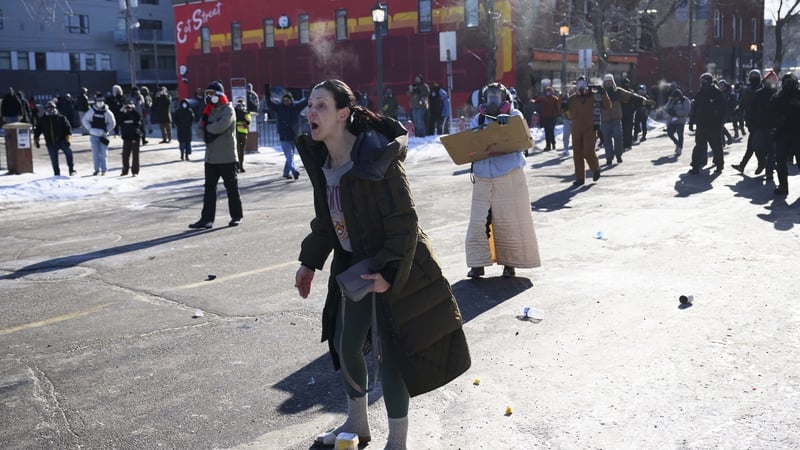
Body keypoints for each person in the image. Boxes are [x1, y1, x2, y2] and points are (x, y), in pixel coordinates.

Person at [294, 79, 471, 450]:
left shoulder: (377, 157)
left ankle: (398, 442)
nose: (311, 112)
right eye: (310, 104)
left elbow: (404, 222)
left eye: (321, 105)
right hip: (354, 265)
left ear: (343, 114)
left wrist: (389, 273)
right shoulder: (323, 160)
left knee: (391, 354)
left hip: (398, 261)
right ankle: (357, 425)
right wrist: (310, 262)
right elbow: (328, 222)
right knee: (346, 344)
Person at [465, 82, 542, 279]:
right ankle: (477, 264)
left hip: (507, 174)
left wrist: (510, 126)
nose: (493, 99)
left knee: (508, 220)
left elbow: (525, 139)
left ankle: (510, 263)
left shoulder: (515, 116)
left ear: (504, 98)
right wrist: (481, 130)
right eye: (489, 95)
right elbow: (472, 142)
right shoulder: (478, 118)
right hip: (483, 175)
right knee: (480, 221)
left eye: (496, 95)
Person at [188, 80, 243, 229]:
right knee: (209, 190)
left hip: (227, 158)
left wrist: (207, 129)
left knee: (231, 189)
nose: (209, 97)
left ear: (219, 95)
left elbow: (220, 126)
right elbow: (198, 130)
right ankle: (206, 219)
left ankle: (236, 216)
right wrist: (208, 130)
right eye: (208, 94)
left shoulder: (228, 109)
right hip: (211, 158)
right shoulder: (209, 111)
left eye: (212, 94)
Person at [564, 76, 609, 186]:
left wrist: (603, 93)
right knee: (577, 154)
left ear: (587, 85)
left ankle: (595, 169)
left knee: (588, 151)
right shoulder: (572, 98)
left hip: (590, 128)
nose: (581, 86)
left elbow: (607, 106)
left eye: (583, 84)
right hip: (576, 129)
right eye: (579, 84)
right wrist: (562, 96)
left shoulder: (594, 96)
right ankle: (580, 178)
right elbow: (561, 110)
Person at [732, 70, 777, 178]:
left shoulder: (765, 91)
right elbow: (743, 103)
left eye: (755, 77)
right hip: (752, 122)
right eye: (751, 77)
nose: (753, 79)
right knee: (755, 146)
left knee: (756, 146)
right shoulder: (748, 91)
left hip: (762, 123)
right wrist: (738, 109)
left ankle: (762, 164)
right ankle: (762, 164)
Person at [600, 74, 649, 166]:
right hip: (605, 120)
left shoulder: (617, 91)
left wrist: (643, 99)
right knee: (606, 140)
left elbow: (630, 95)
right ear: (604, 82)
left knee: (618, 137)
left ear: (612, 82)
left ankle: (618, 154)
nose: (608, 83)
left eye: (609, 81)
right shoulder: (601, 92)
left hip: (616, 118)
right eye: (606, 81)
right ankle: (609, 157)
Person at [687, 73, 726, 174]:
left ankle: (719, 165)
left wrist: (719, 123)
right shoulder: (699, 94)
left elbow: (723, 110)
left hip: (713, 126)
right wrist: (691, 122)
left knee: (716, 147)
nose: (702, 84)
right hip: (701, 126)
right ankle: (695, 166)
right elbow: (695, 109)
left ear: (709, 82)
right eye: (701, 82)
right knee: (699, 147)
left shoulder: (717, 93)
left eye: (704, 82)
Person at [770, 72, 800, 196]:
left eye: (790, 82)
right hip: (782, 133)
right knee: (780, 161)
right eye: (786, 82)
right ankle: (783, 186)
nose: (788, 84)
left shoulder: (798, 95)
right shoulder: (779, 95)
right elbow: (771, 111)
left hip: (797, 133)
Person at [266, 91, 308, 180]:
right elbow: (269, 104)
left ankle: (286, 173)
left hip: (293, 135)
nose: (286, 102)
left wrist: (311, 93)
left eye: (288, 100)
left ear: (291, 100)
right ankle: (294, 171)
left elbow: (305, 102)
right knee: (289, 155)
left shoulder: (296, 108)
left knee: (290, 155)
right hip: (284, 135)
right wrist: (267, 93)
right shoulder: (279, 108)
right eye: (284, 100)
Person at [34, 101, 76, 176]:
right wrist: (36, 140)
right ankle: (56, 173)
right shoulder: (43, 119)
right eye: (49, 108)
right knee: (54, 159)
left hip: (62, 141)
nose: (50, 110)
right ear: (46, 109)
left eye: (52, 108)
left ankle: (71, 169)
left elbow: (68, 128)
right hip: (50, 143)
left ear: (55, 108)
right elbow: (38, 130)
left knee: (69, 153)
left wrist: (68, 139)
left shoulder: (61, 118)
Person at [81, 92, 116, 176]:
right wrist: (90, 129)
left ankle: (104, 170)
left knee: (104, 154)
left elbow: (112, 123)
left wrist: (106, 130)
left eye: (101, 101)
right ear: (95, 101)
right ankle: (96, 170)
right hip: (93, 135)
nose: (100, 102)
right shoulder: (91, 111)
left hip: (103, 135)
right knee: (95, 154)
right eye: (98, 100)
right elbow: (84, 120)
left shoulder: (107, 112)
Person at [118, 99, 142, 176]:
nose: (128, 108)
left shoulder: (136, 115)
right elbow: (119, 122)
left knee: (135, 155)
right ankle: (125, 170)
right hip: (126, 137)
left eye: (129, 106)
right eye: (127, 106)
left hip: (135, 137)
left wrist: (133, 109)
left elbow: (139, 122)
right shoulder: (123, 115)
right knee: (125, 155)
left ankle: (135, 171)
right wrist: (122, 111)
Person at [664, 89, 691, 155]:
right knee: (670, 133)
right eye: (673, 97)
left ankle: (680, 148)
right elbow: (666, 107)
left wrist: (676, 113)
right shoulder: (671, 100)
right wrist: (669, 111)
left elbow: (686, 111)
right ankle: (677, 143)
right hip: (671, 121)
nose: (674, 99)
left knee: (680, 135)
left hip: (680, 121)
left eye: (675, 97)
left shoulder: (685, 101)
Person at [533, 84, 561, 151]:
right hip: (545, 117)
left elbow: (558, 107)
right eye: (547, 91)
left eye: (549, 91)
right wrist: (533, 99)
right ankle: (548, 145)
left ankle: (553, 143)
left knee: (550, 130)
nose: (548, 92)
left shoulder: (554, 99)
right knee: (547, 131)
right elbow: (536, 101)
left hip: (552, 117)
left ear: (551, 92)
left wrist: (558, 114)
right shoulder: (543, 98)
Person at [233, 97, 251, 172]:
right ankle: (238, 166)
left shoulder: (244, 112)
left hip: (240, 133)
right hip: (239, 133)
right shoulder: (242, 112)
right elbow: (248, 122)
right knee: (239, 151)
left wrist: (242, 123)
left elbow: (249, 122)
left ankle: (239, 166)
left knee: (239, 151)